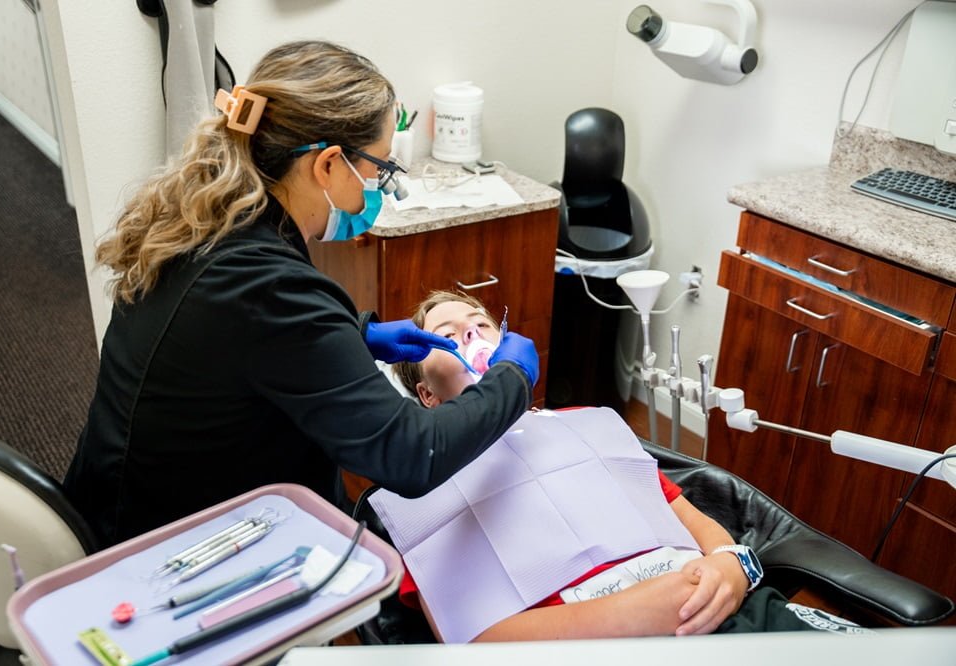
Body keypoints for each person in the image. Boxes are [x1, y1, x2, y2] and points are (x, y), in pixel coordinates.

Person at [63, 41, 539, 548]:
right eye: (380, 166)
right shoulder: (267, 287)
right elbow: (411, 456)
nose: (385, 186)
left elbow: (248, 344)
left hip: (124, 501)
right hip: (162, 549)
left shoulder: (209, 221)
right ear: (329, 164)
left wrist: (360, 335)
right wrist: (511, 377)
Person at [372, 291, 869, 643]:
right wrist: (632, 614)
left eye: (480, 322)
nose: (471, 332)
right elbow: (474, 641)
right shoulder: (422, 481)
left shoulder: (587, 426)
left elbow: (689, 519)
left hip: (714, 603)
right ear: (427, 397)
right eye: (446, 333)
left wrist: (733, 565)